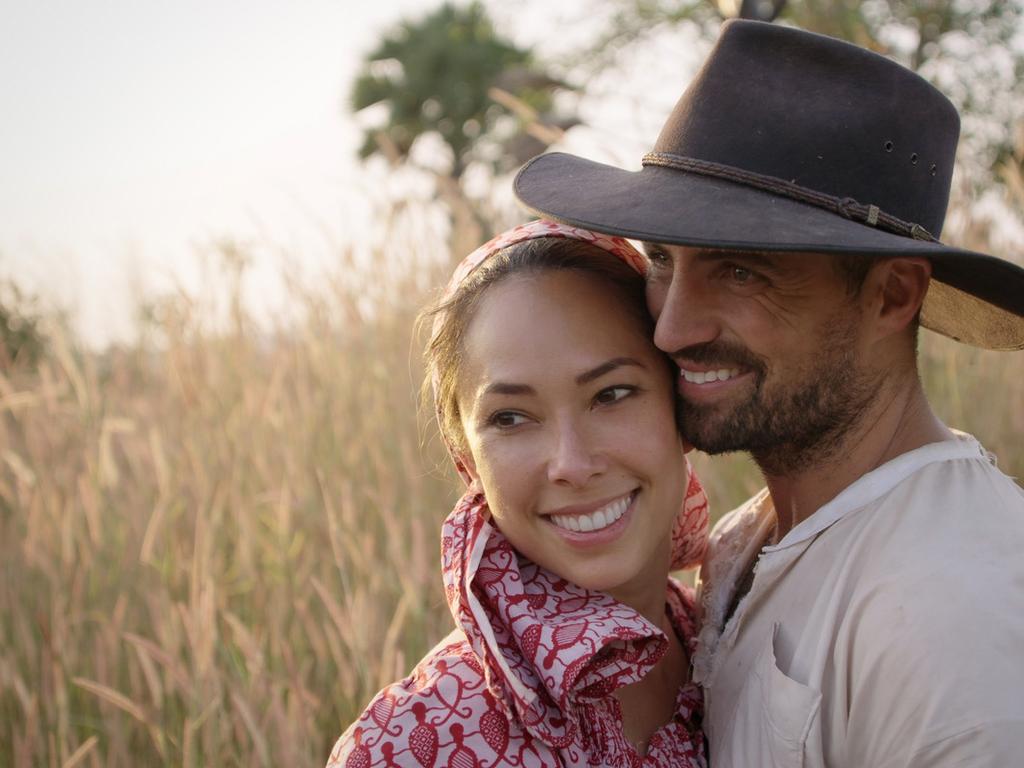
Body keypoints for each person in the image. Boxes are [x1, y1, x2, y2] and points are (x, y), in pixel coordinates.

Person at [513, 18, 1024, 768]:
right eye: (662, 259)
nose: (671, 329)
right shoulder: (750, 538)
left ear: (891, 297)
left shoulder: (954, 622)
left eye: (742, 272)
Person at [325, 220, 710, 767]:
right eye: (510, 417)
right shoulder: (408, 746)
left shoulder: (738, 637)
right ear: (466, 460)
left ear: (684, 407)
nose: (572, 465)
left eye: (612, 394)